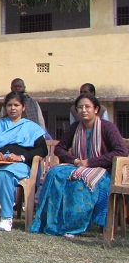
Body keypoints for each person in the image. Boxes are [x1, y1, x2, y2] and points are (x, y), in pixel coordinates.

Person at [30, 93, 128, 236]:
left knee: (80, 182)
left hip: (104, 171)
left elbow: (121, 152)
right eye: (80, 107)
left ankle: (73, 227)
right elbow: (59, 148)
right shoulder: (75, 127)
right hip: (78, 165)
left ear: (96, 109)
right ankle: (50, 222)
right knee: (54, 174)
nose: (83, 110)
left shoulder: (107, 127)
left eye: (87, 107)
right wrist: (75, 160)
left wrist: (90, 162)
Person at [0, 91, 48, 232]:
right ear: (5, 107)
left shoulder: (31, 127)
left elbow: (42, 149)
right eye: (9, 105)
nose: (13, 108)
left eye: (16, 105)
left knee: (3, 174)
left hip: (18, 165)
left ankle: (6, 217)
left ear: (23, 107)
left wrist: (22, 157)